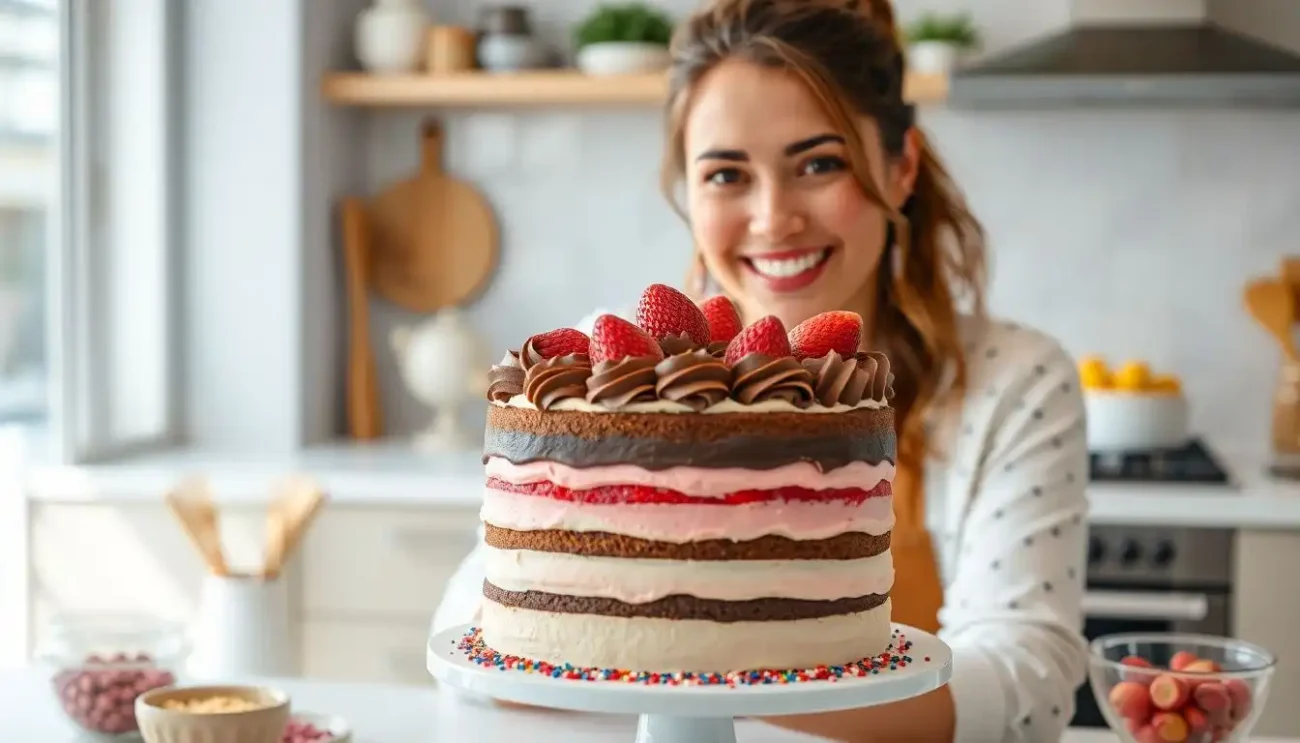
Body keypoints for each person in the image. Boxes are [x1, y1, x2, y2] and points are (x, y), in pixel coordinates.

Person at [433, 0, 1091, 740]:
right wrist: (737, 666)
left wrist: (702, 666)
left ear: (900, 167)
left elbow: (1024, 684)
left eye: (819, 163)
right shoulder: (602, 369)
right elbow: (479, 624)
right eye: (725, 175)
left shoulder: (1014, 380)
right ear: (687, 189)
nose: (774, 217)